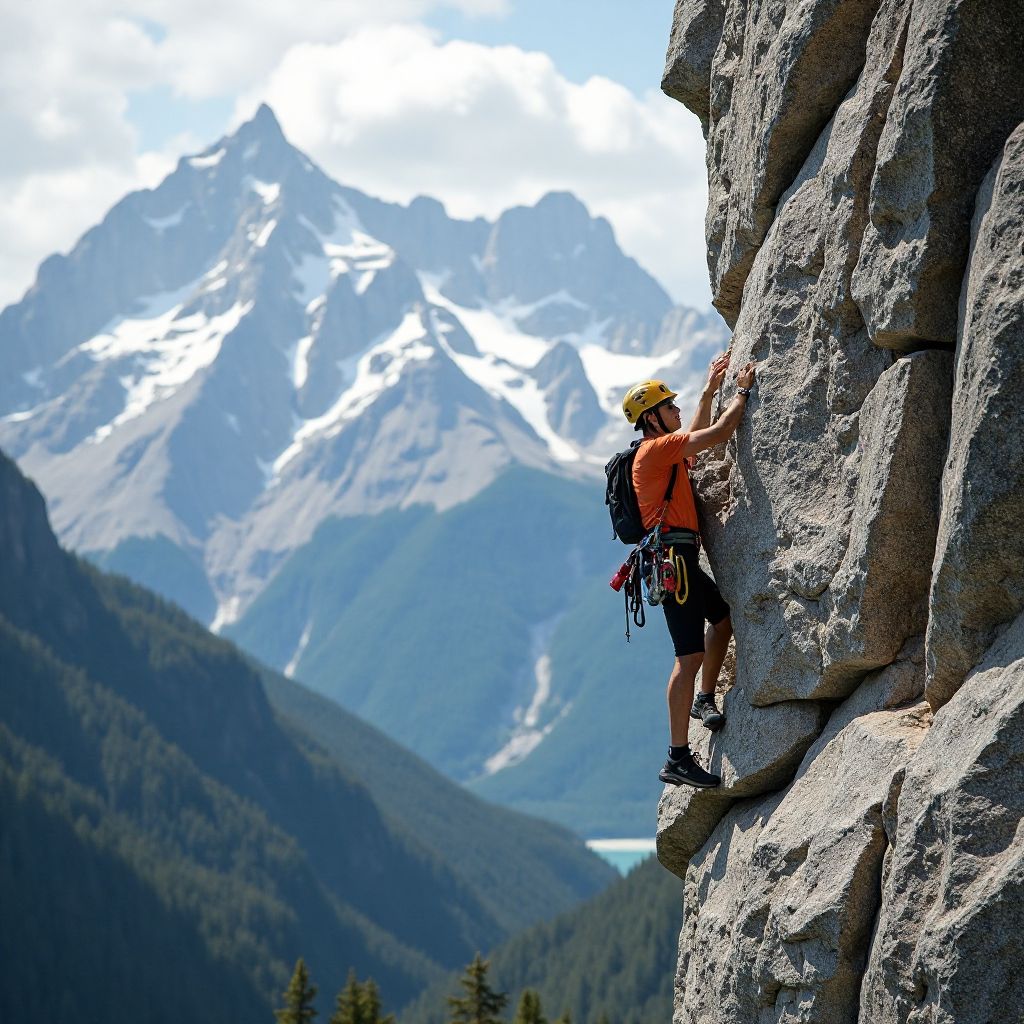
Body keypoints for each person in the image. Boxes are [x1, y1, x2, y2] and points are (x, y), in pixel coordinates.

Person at [621, 355, 756, 788]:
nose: (676, 412)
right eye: (669, 407)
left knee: (721, 619)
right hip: (671, 563)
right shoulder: (655, 452)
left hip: (676, 559)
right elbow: (716, 434)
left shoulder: (663, 453)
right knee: (688, 655)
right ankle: (677, 756)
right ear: (652, 419)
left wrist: (708, 389)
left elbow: (691, 435)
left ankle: (703, 698)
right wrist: (742, 392)